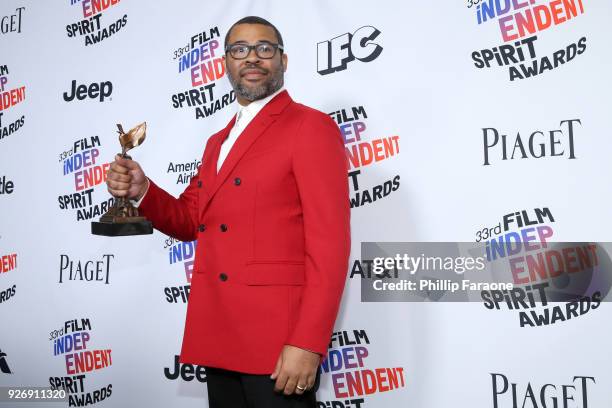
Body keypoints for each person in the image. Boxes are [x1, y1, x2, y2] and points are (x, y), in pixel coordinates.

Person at [106, 16, 350, 408]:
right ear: (225, 64)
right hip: (219, 333)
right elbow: (189, 220)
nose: (251, 58)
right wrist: (143, 190)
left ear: (283, 61)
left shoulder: (310, 127)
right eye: (239, 49)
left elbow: (330, 247)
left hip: (278, 344)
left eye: (264, 48)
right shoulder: (217, 142)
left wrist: (307, 342)